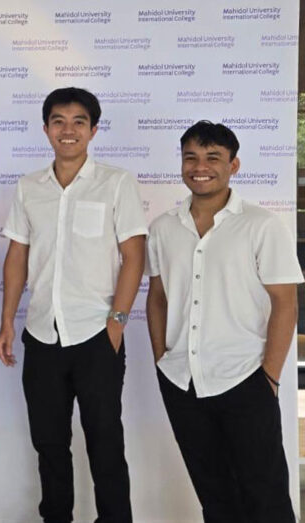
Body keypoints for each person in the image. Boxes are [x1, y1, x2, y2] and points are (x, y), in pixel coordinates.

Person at [0, 87, 146, 523]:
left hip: (96, 335)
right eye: (58, 121)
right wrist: (7, 321)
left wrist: (116, 324)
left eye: (79, 121)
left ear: (93, 130)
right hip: (42, 334)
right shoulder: (28, 188)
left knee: (105, 442)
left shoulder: (116, 183)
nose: (68, 130)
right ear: (45, 129)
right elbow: (17, 257)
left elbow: (134, 255)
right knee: (48, 443)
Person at [146, 121, 300, 523]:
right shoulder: (163, 228)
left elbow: (285, 302)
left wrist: (269, 375)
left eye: (213, 157)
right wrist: (162, 358)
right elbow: (158, 297)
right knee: (214, 495)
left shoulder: (261, 225)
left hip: (245, 377)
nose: (201, 167)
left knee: (265, 495)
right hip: (182, 381)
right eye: (191, 157)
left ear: (234, 165)